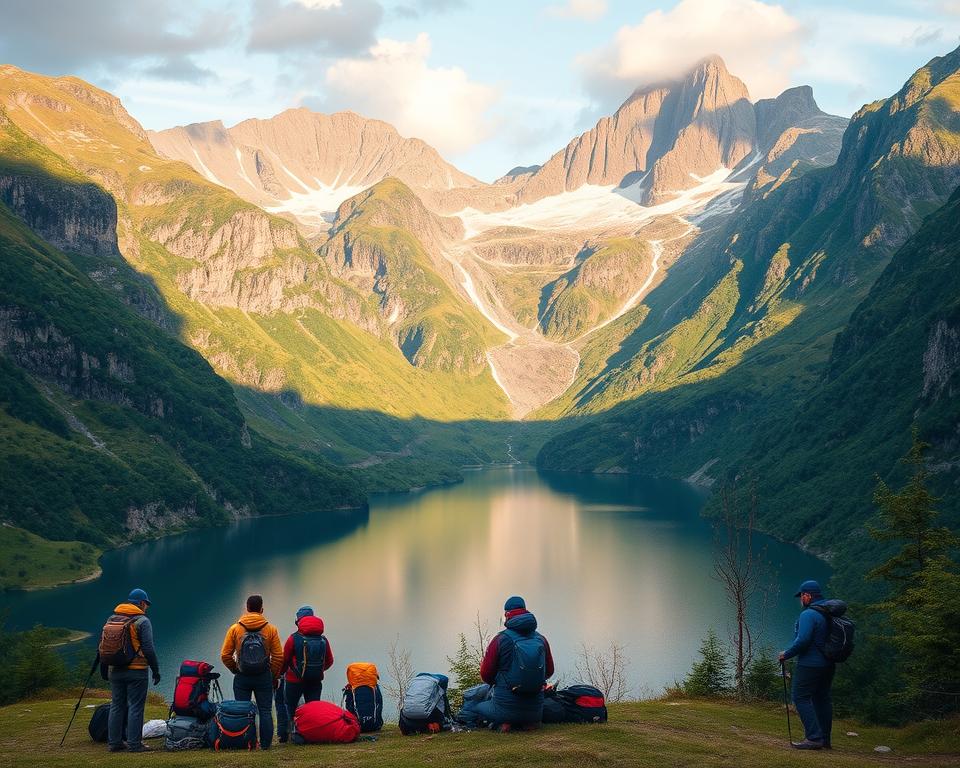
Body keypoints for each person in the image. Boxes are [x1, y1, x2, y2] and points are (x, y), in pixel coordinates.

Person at [473, 595, 554, 731]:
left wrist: (497, 682)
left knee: (477, 706)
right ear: (525, 611)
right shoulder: (541, 639)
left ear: (506, 615)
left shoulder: (500, 640)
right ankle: (528, 723)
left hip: (504, 707)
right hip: (535, 710)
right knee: (527, 715)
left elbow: (486, 674)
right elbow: (549, 671)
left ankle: (505, 723)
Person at [100, 588, 160, 753]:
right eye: (146, 604)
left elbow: (103, 647)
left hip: (116, 670)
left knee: (116, 705)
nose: (146, 607)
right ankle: (134, 744)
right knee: (136, 706)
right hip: (137, 671)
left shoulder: (112, 619)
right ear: (141, 603)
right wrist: (155, 670)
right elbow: (148, 649)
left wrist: (104, 670)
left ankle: (114, 743)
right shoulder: (142, 621)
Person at [220, 594, 284, 749]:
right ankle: (266, 745)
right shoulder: (271, 629)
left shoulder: (235, 629)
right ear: (262, 609)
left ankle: (246, 742)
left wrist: (235, 669)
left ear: (247, 609)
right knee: (265, 711)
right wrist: (273, 676)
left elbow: (225, 655)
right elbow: (278, 656)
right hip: (263, 676)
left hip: (243, 677)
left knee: (243, 710)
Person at [779, 579, 835, 750]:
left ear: (808, 596)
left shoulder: (808, 614)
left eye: (801, 596)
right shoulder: (828, 612)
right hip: (829, 664)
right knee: (822, 698)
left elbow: (803, 640)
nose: (800, 600)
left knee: (800, 697)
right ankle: (824, 739)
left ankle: (813, 737)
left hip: (810, 664)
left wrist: (785, 654)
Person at [276, 606, 333, 742]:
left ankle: (290, 735)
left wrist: (280, 674)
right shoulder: (323, 640)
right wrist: (318, 671)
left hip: (294, 680)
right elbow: (329, 661)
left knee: (290, 706)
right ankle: (313, 735)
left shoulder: (293, 639)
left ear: (298, 621)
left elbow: (285, 660)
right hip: (315, 680)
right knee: (313, 709)